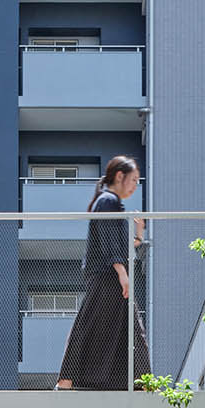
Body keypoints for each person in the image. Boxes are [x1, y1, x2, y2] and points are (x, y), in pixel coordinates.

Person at [55, 154, 152, 390]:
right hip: (108, 276)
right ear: (120, 176)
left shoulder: (110, 202)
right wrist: (122, 273)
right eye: (134, 179)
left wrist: (138, 234)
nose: (135, 185)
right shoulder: (108, 200)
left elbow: (119, 245)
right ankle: (146, 384)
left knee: (122, 328)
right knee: (104, 325)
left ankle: (143, 382)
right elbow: (110, 243)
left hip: (109, 275)